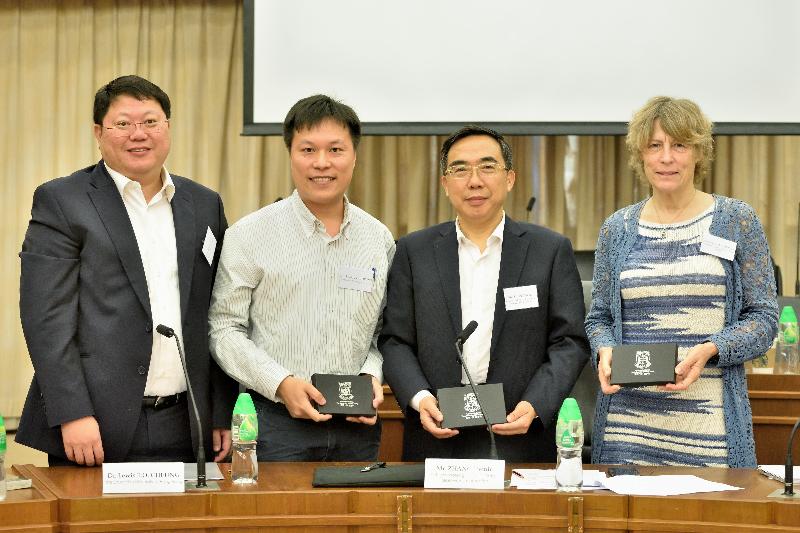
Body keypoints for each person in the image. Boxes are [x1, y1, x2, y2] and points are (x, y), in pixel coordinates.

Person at [17, 75, 238, 466]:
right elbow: (46, 318)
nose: (139, 134)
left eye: (151, 121)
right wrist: (72, 412)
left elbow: (217, 312)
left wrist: (220, 410)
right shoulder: (63, 201)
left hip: (189, 422)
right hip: (95, 425)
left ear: (167, 127)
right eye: (123, 124)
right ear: (99, 132)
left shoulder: (204, 204)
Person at [586, 96, 778, 468]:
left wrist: (711, 348)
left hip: (712, 433)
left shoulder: (736, 220)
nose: (666, 157)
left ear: (698, 152)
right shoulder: (618, 228)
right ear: (641, 154)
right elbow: (599, 319)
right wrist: (605, 350)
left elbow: (764, 319)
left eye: (679, 145)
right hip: (628, 430)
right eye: (655, 146)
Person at [379, 125, 589, 461]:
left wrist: (536, 404)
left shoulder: (548, 250)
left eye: (487, 167)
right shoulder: (413, 251)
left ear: (509, 179)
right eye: (460, 169)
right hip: (437, 436)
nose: (474, 180)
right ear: (445, 184)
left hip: (519, 435)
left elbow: (570, 341)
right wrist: (420, 398)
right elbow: (394, 340)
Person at [209, 95, 395, 461]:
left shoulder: (378, 239)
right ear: (290, 154)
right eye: (308, 149)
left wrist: (372, 375)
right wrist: (281, 384)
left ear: (354, 156)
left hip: (356, 428)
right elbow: (223, 328)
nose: (322, 163)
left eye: (335, 150)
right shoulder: (250, 234)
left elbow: (382, 332)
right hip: (274, 426)